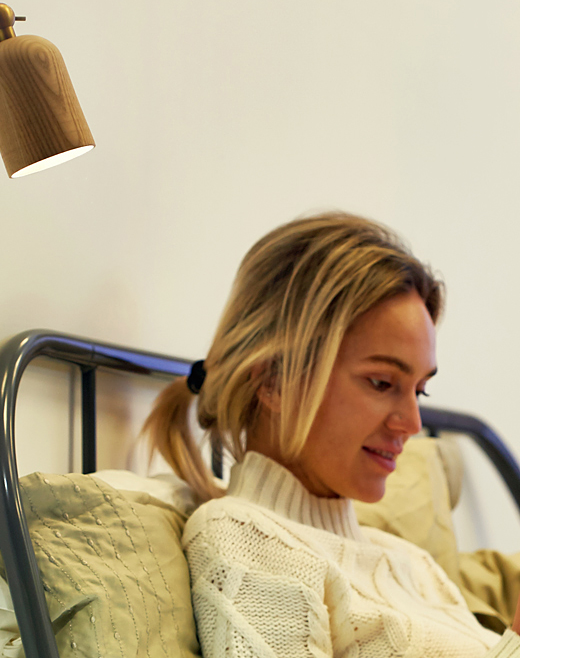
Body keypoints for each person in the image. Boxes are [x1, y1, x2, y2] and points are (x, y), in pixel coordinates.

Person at [141, 212, 520, 657]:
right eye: (382, 382)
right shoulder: (243, 535)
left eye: (419, 390)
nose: (413, 423)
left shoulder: (415, 565)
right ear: (274, 381)